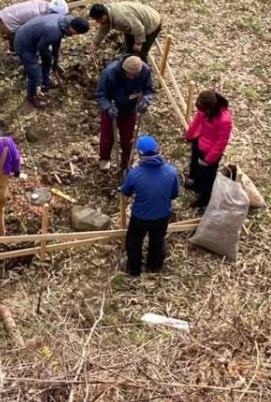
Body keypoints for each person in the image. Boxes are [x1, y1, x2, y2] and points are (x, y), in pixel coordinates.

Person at [120, 136, 179, 276]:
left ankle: (134, 269)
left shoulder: (135, 174)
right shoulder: (171, 172)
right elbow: (174, 194)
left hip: (140, 216)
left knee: (134, 242)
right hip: (162, 215)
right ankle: (154, 267)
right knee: (157, 241)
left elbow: (126, 191)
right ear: (158, 150)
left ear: (139, 155)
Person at [13, 14, 90, 109]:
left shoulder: (64, 22)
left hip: (35, 38)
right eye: (77, 33)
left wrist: (55, 59)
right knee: (35, 74)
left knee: (48, 59)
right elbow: (41, 48)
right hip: (24, 43)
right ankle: (31, 96)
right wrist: (50, 58)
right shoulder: (54, 31)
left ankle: (46, 83)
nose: (76, 35)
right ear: (73, 28)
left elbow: (56, 42)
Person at [95, 55, 154, 173]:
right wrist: (107, 108)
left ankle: (126, 163)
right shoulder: (109, 73)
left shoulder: (144, 71)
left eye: (135, 75)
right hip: (112, 108)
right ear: (123, 69)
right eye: (129, 74)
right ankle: (104, 159)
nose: (132, 77)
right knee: (107, 137)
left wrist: (146, 100)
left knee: (128, 139)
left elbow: (149, 90)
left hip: (129, 109)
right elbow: (100, 94)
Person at [185, 90, 233, 211]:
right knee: (195, 166)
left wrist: (208, 159)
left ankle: (204, 198)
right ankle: (195, 184)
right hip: (200, 141)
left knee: (206, 176)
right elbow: (197, 121)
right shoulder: (204, 111)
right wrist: (190, 135)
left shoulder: (224, 120)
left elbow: (221, 142)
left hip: (210, 152)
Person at [89, 1, 162, 63]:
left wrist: (138, 43)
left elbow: (139, 28)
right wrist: (95, 43)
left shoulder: (121, 18)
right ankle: (128, 61)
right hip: (132, 25)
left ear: (103, 16)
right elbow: (103, 29)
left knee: (140, 54)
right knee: (129, 47)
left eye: (97, 20)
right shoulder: (107, 14)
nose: (97, 22)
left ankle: (141, 71)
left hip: (151, 23)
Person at [0, 0, 69, 52]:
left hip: (1, 16)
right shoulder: (38, 15)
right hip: (3, 23)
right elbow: (31, 32)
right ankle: (17, 51)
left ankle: (13, 48)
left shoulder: (40, 3)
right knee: (25, 39)